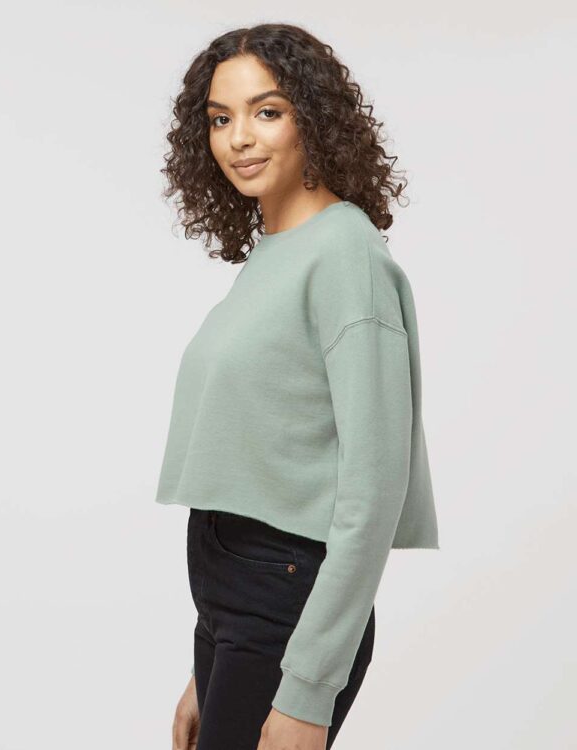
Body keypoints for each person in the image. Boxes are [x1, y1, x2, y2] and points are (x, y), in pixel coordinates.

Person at [154, 22, 440, 750]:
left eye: (267, 111)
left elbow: (373, 490)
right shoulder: (277, 253)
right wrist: (208, 662)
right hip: (238, 606)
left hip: (285, 607)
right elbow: (265, 469)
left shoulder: (345, 253)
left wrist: (308, 688)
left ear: (313, 117)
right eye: (221, 118)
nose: (240, 139)